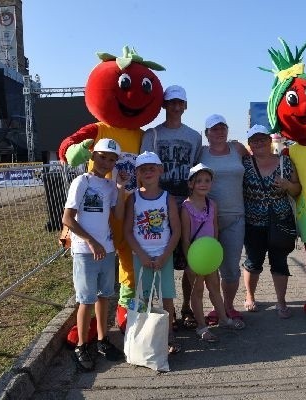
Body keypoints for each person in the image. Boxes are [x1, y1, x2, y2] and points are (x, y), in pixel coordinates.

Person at [62, 138, 128, 371]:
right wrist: (91, 242)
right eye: (102, 157)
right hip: (85, 251)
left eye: (111, 159)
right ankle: (82, 344)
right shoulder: (81, 182)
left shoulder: (110, 186)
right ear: (92, 157)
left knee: (104, 296)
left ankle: (102, 339)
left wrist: (120, 189)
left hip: (107, 250)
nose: (106, 162)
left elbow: (118, 215)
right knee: (86, 299)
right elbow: (67, 218)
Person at [141, 85, 202, 331]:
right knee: (161, 260)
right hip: (159, 206)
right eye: (172, 102)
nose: (176, 107)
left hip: (185, 206)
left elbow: (197, 171)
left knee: (189, 261)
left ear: (185, 106)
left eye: (180, 103)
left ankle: (187, 307)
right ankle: (168, 312)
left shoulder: (195, 136)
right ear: (164, 105)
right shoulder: (152, 134)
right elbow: (142, 170)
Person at [123, 151, 182, 354]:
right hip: (142, 257)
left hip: (163, 256)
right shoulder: (133, 199)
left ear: (160, 170)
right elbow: (128, 231)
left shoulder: (168, 198)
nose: (148, 172)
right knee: (143, 297)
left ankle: (168, 334)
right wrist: (141, 255)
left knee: (166, 296)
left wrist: (165, 256)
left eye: (152, 168)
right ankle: (144, 334)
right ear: (137, 173)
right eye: (143, 169)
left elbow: (176, 230)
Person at [241, 125, 301, 318]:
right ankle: (250, 296)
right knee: (253, 261)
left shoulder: (285, 161)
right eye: (254, 140)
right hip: (253, 223)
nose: (259, 143)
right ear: (249, 144)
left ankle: (281, 302)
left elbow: (297, 189)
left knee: (280, 262)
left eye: (262, 139)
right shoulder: (244, 163)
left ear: (270, 140)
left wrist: (287, 185)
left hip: (281, 221)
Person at [180, 163, 245, 342]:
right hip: (195, 259)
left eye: (207, 180)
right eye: (199, 180)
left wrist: (214, 254)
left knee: (215, 288)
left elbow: (215, 229)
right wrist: (190, 262)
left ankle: (224, 319)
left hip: (209, 257)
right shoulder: (186, 207)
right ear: (191, 184)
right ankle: (201, 326)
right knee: (197, 291)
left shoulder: (212, 205)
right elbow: (185, 238)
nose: (203, 184)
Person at [199, 114, 249, 323]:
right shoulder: (200, 153)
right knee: (209, 266)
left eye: (223, 128)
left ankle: (228, 306)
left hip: (236, 216)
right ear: (207, 134)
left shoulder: (237, 149)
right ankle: (215, 307)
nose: (219, 132)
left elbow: (256, 163)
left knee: (230, 266)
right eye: (214, 129)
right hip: (207, 219)